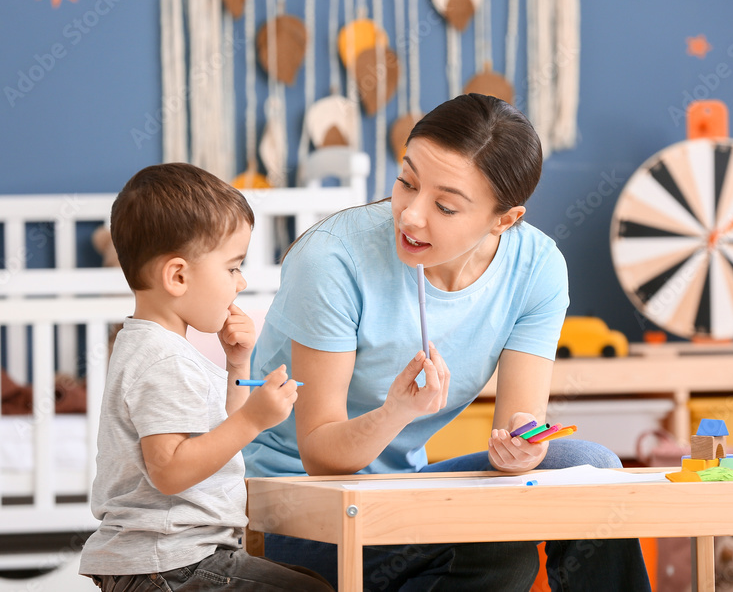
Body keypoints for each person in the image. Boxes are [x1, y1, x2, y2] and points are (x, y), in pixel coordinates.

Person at [244, 94, 651, 591]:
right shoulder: (333, 259)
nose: (410, 215)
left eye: (445, 206)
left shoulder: (537, 268)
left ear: (504, 219)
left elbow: (519, 427)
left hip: (402, 492)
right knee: (501, 548)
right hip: (296, 503)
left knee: (589, 469)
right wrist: (395, 411)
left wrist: (521, 448)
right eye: (406, 182)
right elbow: (320, 457)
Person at [79, 163, 334, 592]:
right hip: (168, 563)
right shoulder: (162, 360)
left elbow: (212, 436)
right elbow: (171, 471)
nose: (241, 281)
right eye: (232, 267)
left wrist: (238, 365)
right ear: (177, 276)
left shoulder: (156, 347)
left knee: (310, 582)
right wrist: (253, 419)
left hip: (174, 559)